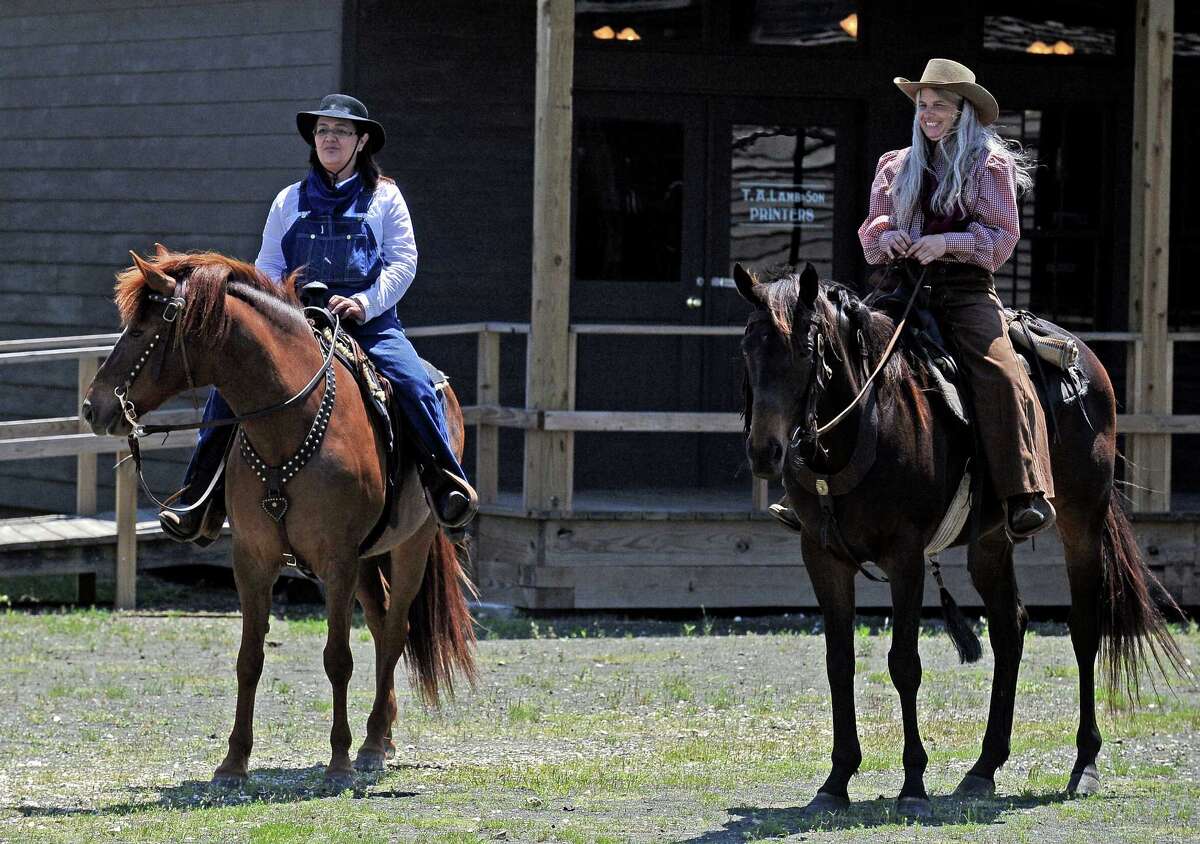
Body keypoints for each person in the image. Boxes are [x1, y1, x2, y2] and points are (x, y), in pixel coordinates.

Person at [160, 94, 477, 544]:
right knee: (226, 391)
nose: (330, 138)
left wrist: (365, 303)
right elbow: (267, 266)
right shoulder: (288, 200)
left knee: (415, 384)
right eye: (323, 131)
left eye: (342, 131)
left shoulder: (385, 196)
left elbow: (403, 263)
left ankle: (445, 485)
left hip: (370, 325)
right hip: (297, 329)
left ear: (362, 141)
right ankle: (199, 500)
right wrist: (276, 312)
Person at [857, 58, 1055, 538]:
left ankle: (1022, 493)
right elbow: (871, 228)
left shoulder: (990, 165)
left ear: (962, 111)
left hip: (964, 292)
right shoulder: (895, 163)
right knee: (841, 351)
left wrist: (947, 243)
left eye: (938, 106)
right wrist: (889, 240)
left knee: (999, 372)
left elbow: (1002, 240)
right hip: (902, 286)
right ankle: (810, 489)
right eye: (923, 105)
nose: (928, 114)